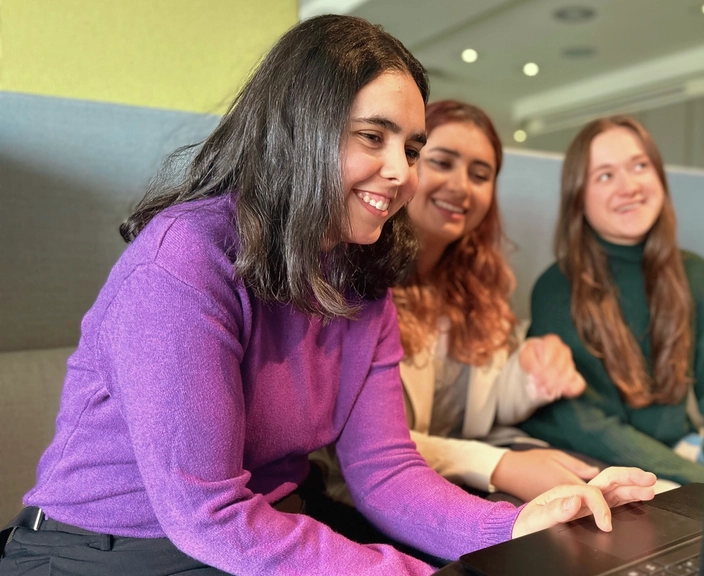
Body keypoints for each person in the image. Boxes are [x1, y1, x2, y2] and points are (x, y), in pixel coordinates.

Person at [0, 18, 656, 576]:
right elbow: (210, 516)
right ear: (298, 129)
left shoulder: (361, 274)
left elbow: (386, 472)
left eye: (411, 146)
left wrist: (516, 528)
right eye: (373, 137)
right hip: (106, 551)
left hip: (257, 529)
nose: (401, 172)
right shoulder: (184, 263)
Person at [395, 100, 597, 502]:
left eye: (480, 174)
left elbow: (492, 407)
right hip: (389, 498)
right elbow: (371, 450)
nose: (461, 186)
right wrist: (497, 466)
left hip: (465, 479)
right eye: (442, 162)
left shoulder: (477, 283)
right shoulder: (356, 287)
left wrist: (531, 369)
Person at [521, 116, 704, 487]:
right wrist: (703, 482)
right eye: (605, 175)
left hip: (676, 460)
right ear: (578, 198)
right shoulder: (558, 286)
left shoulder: (696, 275)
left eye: (639, 166)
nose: (629, 186)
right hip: (597, 466)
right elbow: (588, 426)